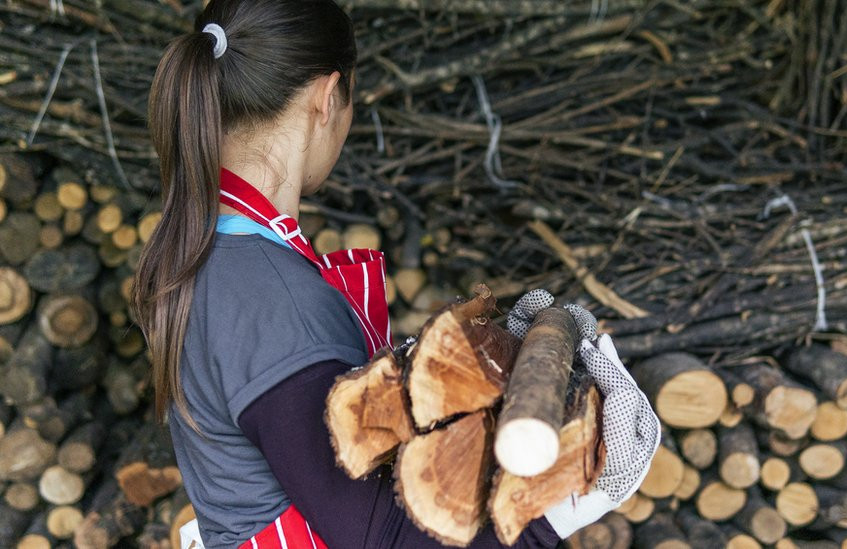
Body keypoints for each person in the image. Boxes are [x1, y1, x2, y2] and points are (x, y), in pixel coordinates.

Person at [130, 1, 660, 548]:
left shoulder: (220, 257)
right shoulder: (269, 293)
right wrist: (555, 513)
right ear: (327, 97)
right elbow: (382, 539)